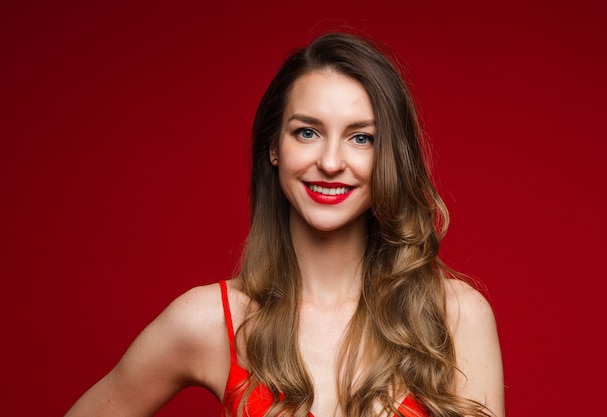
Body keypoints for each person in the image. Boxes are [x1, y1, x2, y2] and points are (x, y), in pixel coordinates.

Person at [65, 32, 504, 417]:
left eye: (361, 138)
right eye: (307, 132)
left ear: (388, 156)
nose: (330, 163)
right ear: (274, 147)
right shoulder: (212, 321)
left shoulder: (455, 317)